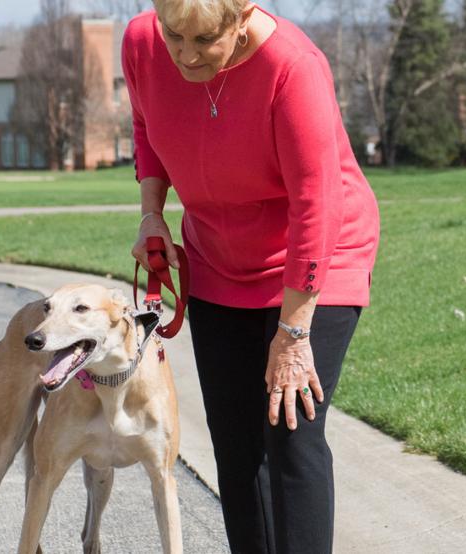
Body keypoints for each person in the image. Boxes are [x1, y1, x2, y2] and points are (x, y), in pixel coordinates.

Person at [122, 1, 380, 552]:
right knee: (236, 444)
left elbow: (317, 203)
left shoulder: (292, 67)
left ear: (241, 17)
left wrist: (293, 335)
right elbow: (146, 126)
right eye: (175, 36)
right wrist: (152, 213)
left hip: (316, 256)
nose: (186, 56)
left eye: (204, 40)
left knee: (290, 433)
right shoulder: (143, 43)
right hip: (218, 257)